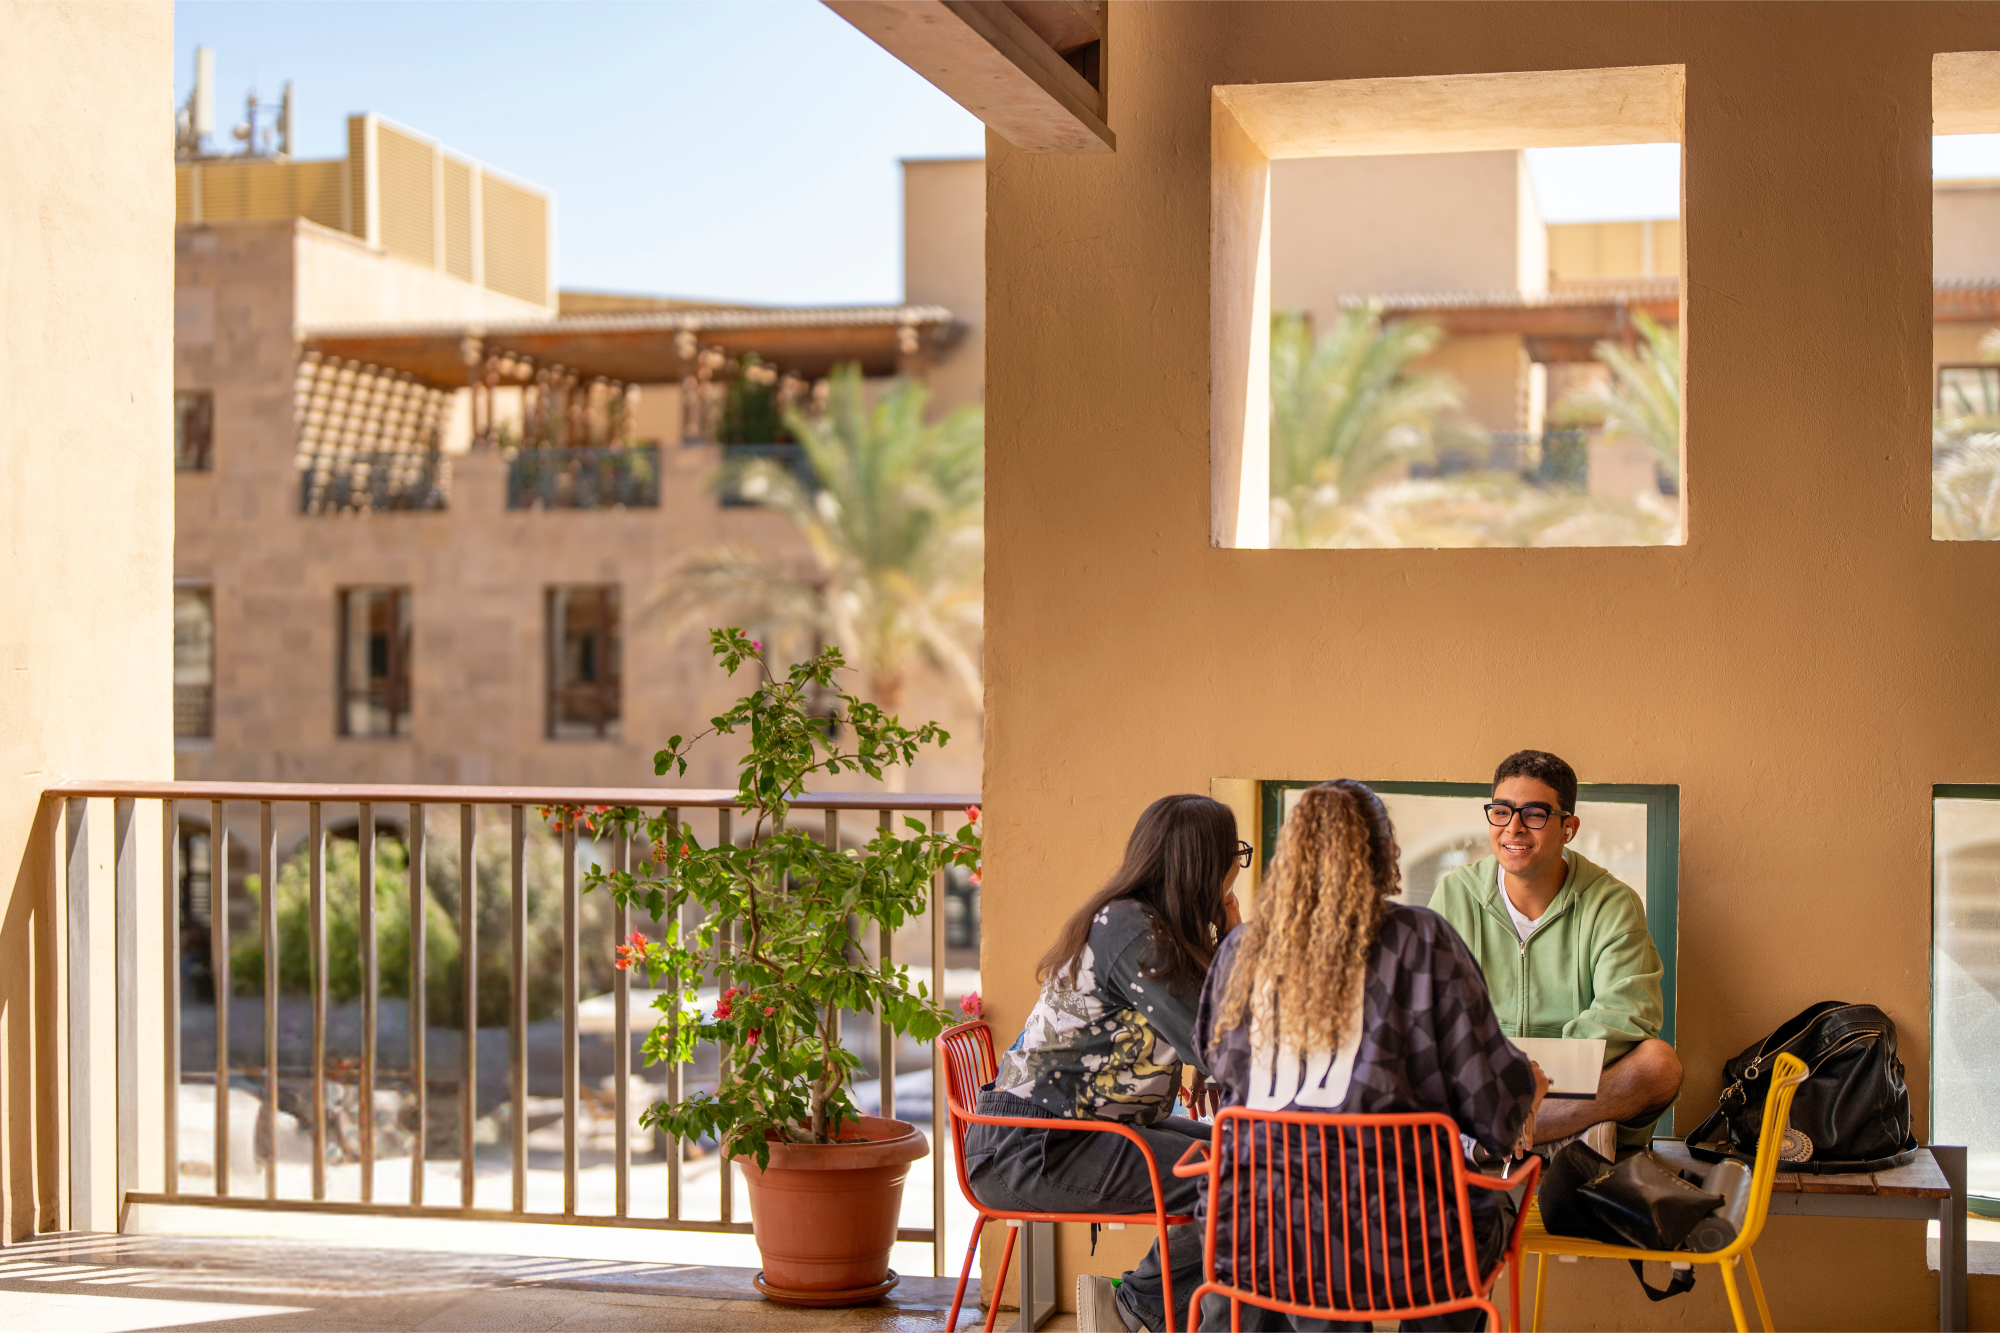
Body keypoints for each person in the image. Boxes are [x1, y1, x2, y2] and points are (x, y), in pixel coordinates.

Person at [1195, 780, 1547, 1332]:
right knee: (1488, 1203)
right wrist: (1527, 1086)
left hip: (1251, 1240)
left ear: (1288, 858)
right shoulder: (1421, 942)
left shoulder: (1242, 948)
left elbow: (1216, 1064)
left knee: (1311, 1225)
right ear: (1385, 854)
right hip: (1397, 1251)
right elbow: (1493, 1110)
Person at [963, 793, 1245, 1333]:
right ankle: (1136, 1308)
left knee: (1243, 1160)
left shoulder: (1141, 922)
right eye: (1232, 854)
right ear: (1201, 864)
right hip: (1031, 1147)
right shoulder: (1134, 932)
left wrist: (1227, 933)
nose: (1236, 867)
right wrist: (1234, 937)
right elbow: (1221, 1043)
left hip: (1061, 1132)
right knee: (1239, 1177)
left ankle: (1145, 1306)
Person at [1429, 749, 1681, 1155]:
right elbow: (1433, 1010)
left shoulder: (1612, 903)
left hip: (1572, 1087)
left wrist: (1545, 1072)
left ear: (1569, 827)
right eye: (1501, 811)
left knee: (1659, 1065)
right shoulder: (1455, 894)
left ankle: (1494, 1141)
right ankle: (1559, 1139)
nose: (1513, 828)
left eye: (1534, 814)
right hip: (1484, 1084)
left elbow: (1629, 1011)